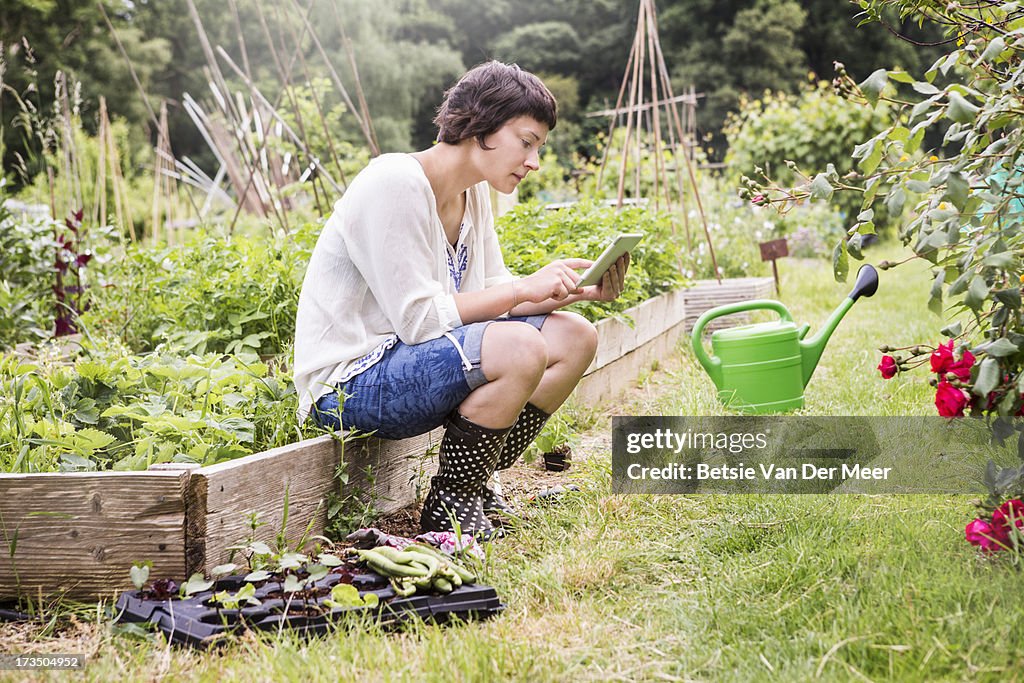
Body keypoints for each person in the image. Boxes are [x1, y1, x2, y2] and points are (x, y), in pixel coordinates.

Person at [293, 61, 630, 538]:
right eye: (527, 142)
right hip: (349, 384)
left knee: (575, 335)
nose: (534, 162)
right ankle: (452, 502)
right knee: (521, 347)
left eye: (539, 148)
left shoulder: (474, 196)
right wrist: (520, 287)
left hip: (418, 362)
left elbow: (491, 296)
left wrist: (571, 293)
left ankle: (475, 481)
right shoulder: (393, 181)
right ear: (481, 124)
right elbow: (418, 321)